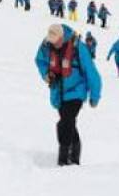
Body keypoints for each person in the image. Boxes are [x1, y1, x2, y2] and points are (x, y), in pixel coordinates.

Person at [35, 24, 102, 167]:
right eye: (51, 40)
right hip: (59, 93)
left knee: (65, 123)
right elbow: (39, 60)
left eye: (56, 41)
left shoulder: (79, 48)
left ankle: (64, 160)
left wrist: (94, 97)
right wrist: (46, 74)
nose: (53, 43)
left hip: (76, 91)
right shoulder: (47, 45)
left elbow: (93, 74)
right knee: (69, 123)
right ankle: (75, 155)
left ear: (62, 37)